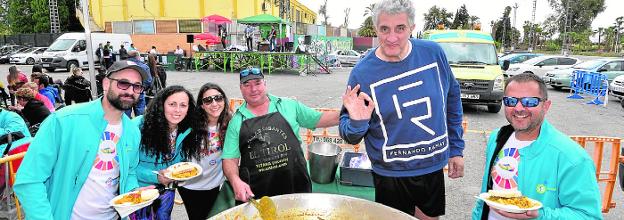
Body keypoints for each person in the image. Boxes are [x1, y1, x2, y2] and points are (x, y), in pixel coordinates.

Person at [338, 0, 464, 219]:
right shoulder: (363, 72)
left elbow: (452, 97)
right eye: (384, 29)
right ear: (375, 29)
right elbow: (348, 132)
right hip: (389, 173)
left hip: (430, 167)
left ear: (412, 28)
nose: (392, 37)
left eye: (400, 28)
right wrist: (358, 123)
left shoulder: (433, 54)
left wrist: (456, 148)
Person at [13, 60, 151, 219]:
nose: (130, 91)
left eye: (137, 86)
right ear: (106, 84)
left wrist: (134, 192)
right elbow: (29, 180)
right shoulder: (63, 120)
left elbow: (129, 172)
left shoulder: (133, 131)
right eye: (123, 83)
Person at [472, 73, 602, 219]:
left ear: (546, 106)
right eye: (510, 101)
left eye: (529, 102)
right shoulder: (497, 137)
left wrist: (540, 215)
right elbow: (487, 193)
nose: (518, 108)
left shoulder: (572, 157)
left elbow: (588, 215)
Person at [222, 67, 342, 203]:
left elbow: (320, 118)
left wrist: (347, 112)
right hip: (258, 194)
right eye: (247, 85)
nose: (253, 89)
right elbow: (229, 160)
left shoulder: (289, 105)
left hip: (296, 187)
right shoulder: (236, 121)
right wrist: (235, 180)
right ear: (241, 88)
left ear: (265, 84)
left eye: (257, 83)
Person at [131, 85, 203, 220]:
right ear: (161, 104)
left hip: (167, 190)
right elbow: (125, 168)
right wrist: (156, 177)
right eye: (172, 104)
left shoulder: (186, 129)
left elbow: (177, 163)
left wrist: (181, 173)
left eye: (183, 105)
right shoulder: (137, 127)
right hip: (139, 191)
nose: (177, 110)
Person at [178, 83, 231, 219]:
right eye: (208, 100)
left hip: (213, 185)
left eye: (218, 98)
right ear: (202, 105)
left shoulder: (230, 123)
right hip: (189, 186)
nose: (214, 103)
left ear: (224, 100)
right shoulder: (190, 125)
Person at [125, 50, 152, 117]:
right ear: (137, 57)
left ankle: (127, 126)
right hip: (139, 92)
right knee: (140, 115)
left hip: (126, 93)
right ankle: (138, 127)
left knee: (126, 115)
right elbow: (148, 81)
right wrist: (142, 89)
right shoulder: (144, 67)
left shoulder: (123, 66)